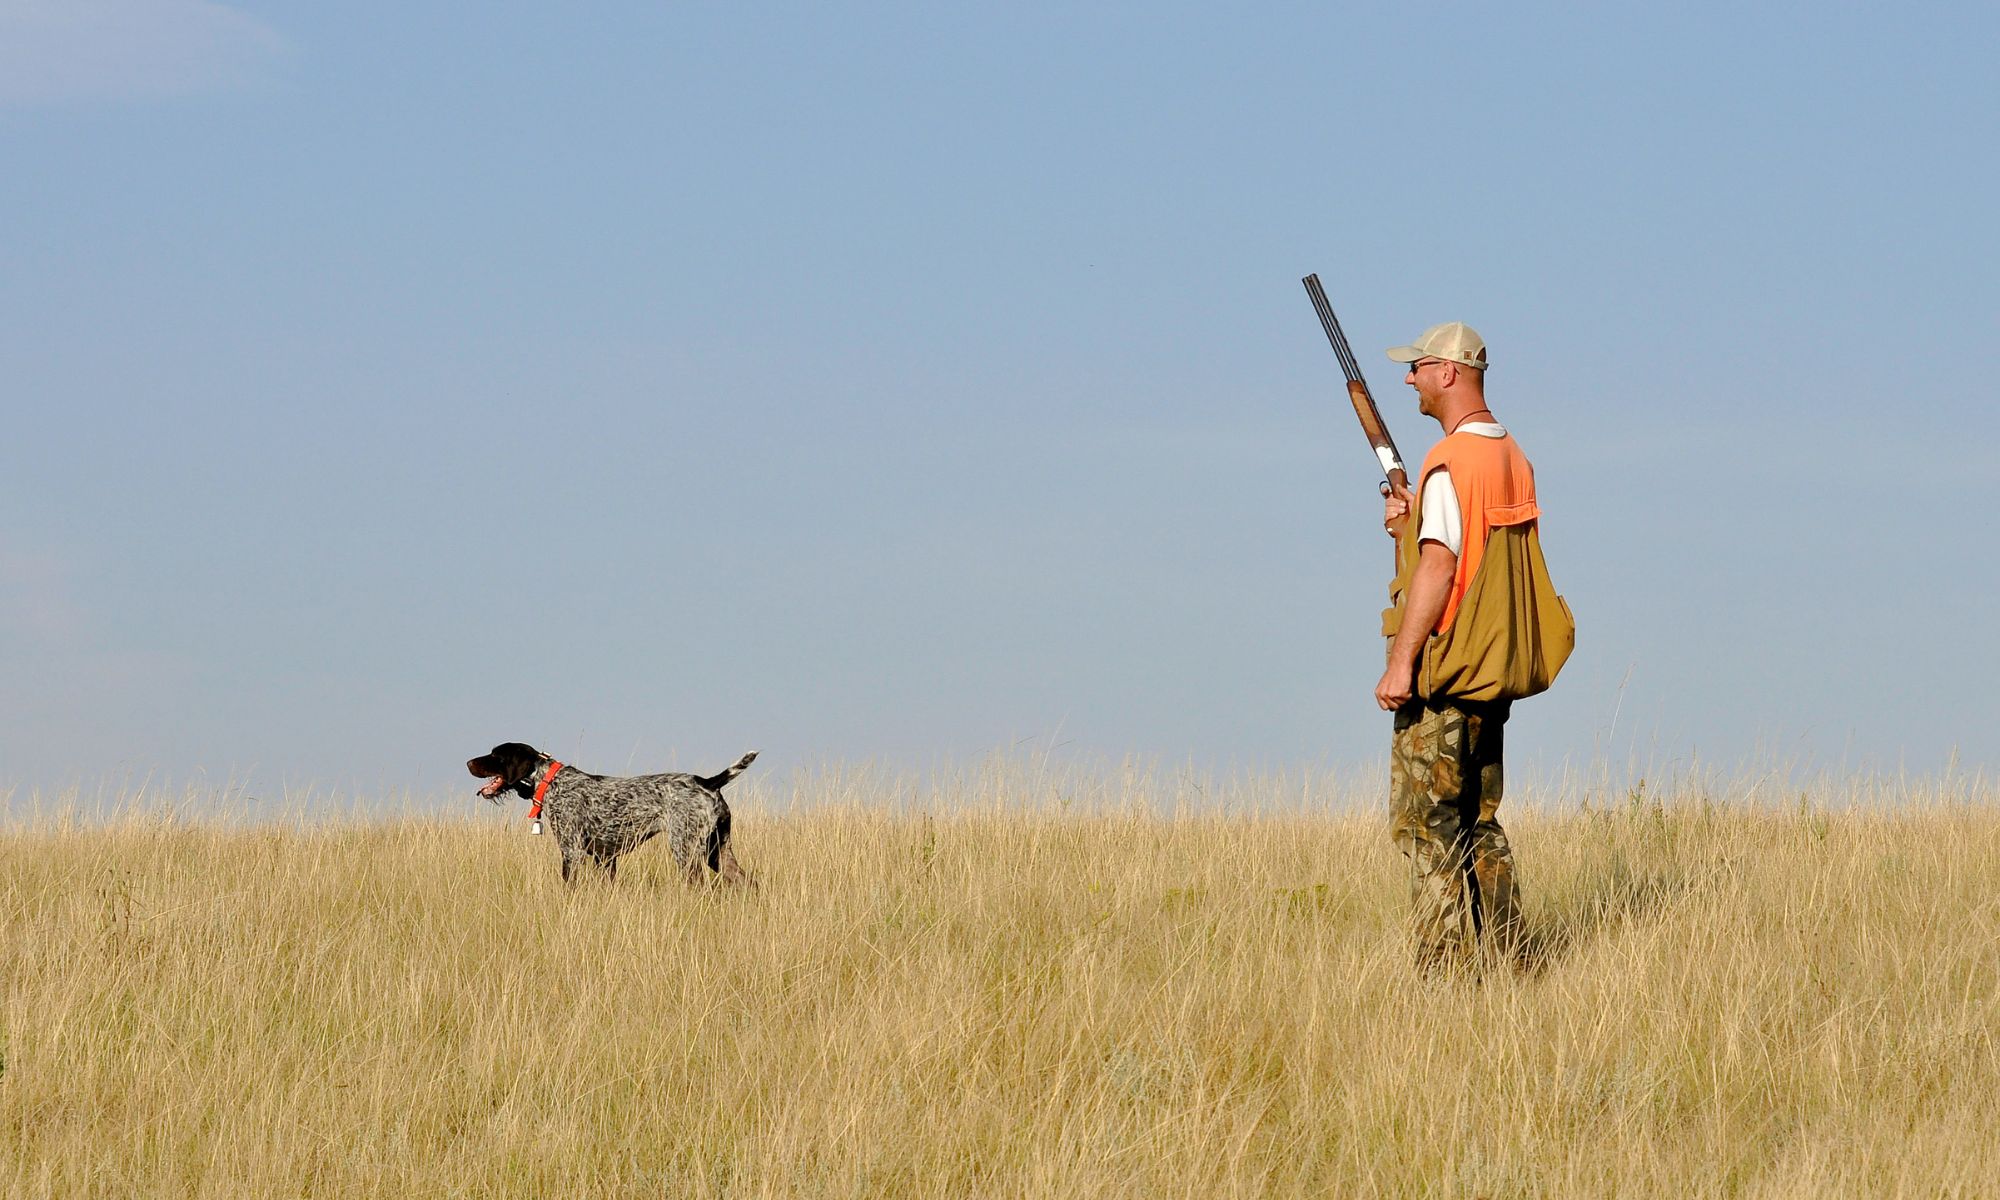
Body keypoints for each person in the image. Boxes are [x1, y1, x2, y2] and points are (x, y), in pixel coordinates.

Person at [1375, 321, 1548, 971]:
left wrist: (1401, 664)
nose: (1408, 378)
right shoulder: (1511, 456)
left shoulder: (1448, 459)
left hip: (1447, 671)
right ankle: (1514, 963)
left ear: (1447, 373)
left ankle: (1445, 977)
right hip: (1494, 668)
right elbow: (1481, 553)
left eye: (1417, 366)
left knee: (1425, 827)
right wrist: (1409, 521)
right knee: (1478, 822)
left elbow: (1442, 567)